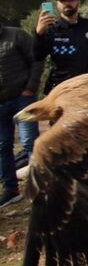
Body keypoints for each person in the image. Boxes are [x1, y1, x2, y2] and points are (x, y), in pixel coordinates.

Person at [0, 22, 43, 207]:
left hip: (22, 99)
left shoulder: (16, 35)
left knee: (30, 142)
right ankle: (11, 190)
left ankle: (42, 186)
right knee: (3, 146)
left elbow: (37, 59)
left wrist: (30, 88)